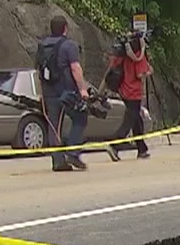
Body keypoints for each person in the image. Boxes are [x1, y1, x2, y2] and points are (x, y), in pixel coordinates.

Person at [35, 16, 92, 172]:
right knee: (80, 118)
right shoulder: (69, 46)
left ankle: (58, 162)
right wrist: (82, 89)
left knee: (53, 126)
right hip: (67, 91)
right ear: (65, 28)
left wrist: (41, 93)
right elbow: (75, 68)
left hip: (49, 92)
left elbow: (38, 71)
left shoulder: (42, 46)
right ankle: (73, 151)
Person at [104, 31, 152, 161]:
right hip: (134, 91)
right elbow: (140, 74)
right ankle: (114, 145)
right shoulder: (139, 54)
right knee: (130, 120)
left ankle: (142, 148)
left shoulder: (123, 53)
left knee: (137, 119)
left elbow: (113, 65)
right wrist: (149, 71)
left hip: (123, 89)